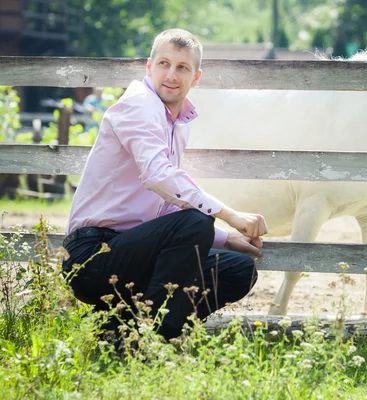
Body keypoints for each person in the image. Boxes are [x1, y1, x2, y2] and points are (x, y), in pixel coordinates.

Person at [62, 28, 268, 340]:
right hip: (92, 255)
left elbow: (166, 204)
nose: (171, 75)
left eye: (182, 67)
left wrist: (226, 239)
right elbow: (159, 176)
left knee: (238, 270)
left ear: (195, 78)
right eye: (164, 64)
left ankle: (119, 329)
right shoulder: (140, 105)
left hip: (136, 251)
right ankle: (157, 340)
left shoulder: (176, 124)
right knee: (196, 220)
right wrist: (230, 214)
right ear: (149, 67)